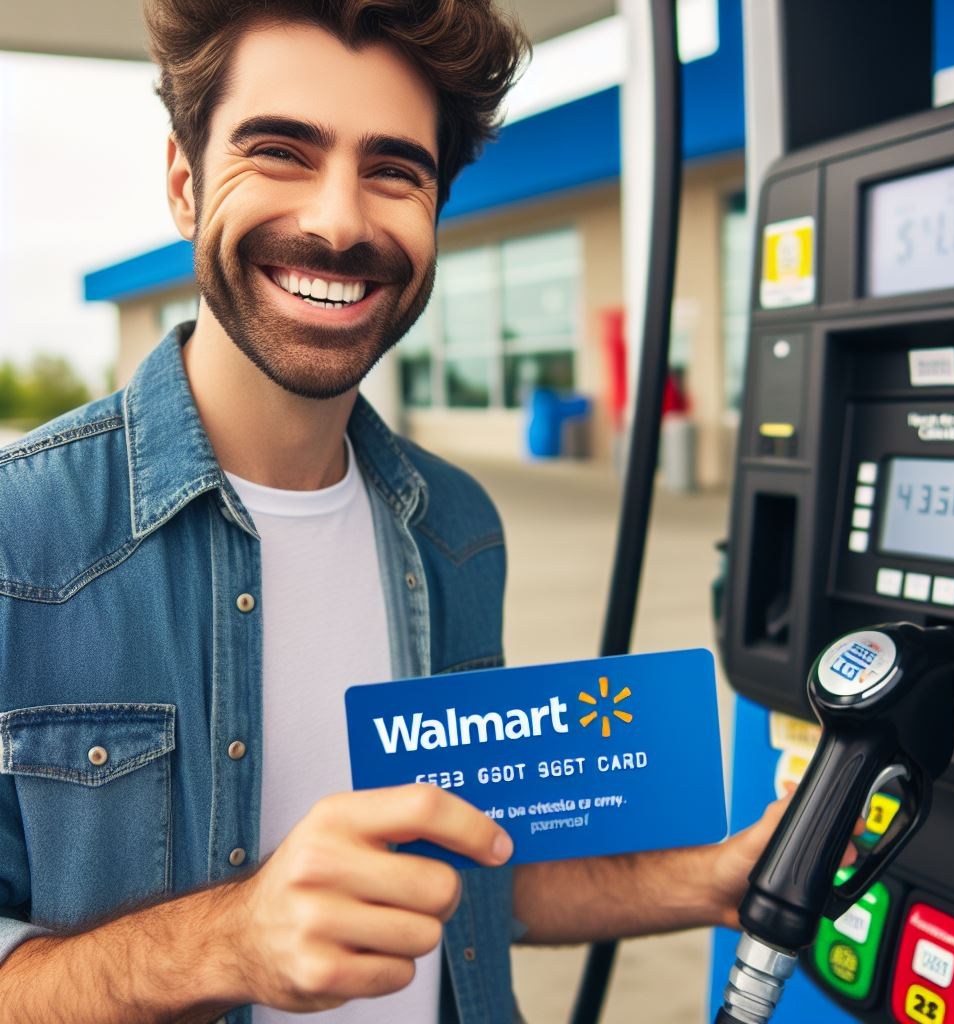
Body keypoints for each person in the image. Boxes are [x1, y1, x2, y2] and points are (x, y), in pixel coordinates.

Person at [0, 2, 840, 1022]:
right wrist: (226, 942)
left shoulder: (455, 525)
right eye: (281, 151)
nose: (341, 221)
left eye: (395, 171)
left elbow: (465, 876)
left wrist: (709, 879)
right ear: (185, 183)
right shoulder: (21, 537)